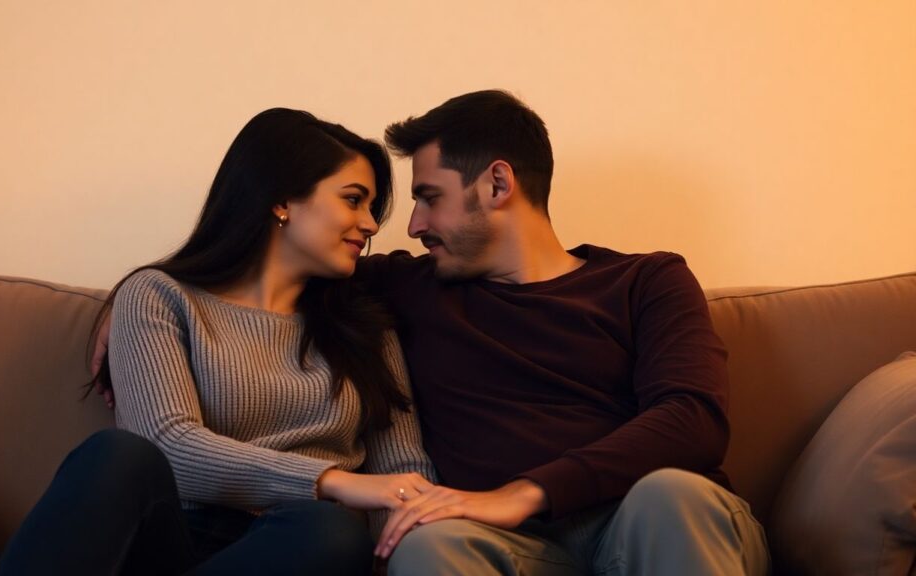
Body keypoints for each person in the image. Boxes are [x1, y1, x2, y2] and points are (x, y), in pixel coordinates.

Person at [91, 91, 771, 575]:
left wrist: (521, 493)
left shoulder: (646, 281)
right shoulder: (406, 290)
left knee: (670, 492)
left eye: (427, 196)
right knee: (429, 545)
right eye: (389, 203)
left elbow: (692, 420)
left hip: (647, 525)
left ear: (497, 183)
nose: (408, 227)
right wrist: (126, 300)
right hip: (507, 553)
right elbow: (256, 271)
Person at [0, 108, 437, 576]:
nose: (370, 224)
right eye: (354, 200)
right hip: (169, 540)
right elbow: (167, 444)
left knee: (331, 532)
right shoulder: (160, 296)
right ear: (282, 198)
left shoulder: (368, 325)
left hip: (295, 548)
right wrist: (332, 481)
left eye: (371, 208)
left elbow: (404, 470)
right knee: (117, 455)